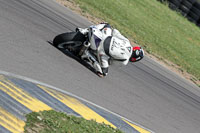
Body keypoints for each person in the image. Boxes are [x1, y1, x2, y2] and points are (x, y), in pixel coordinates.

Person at [77, 22, 144, 77]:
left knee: (107, 25)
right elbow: (110, 62)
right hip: (102, 53)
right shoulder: (124, 61)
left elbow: (115, 32)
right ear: (134, 59)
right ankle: (87, 54)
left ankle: (84, 30)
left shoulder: (127, 41)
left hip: (104, 37)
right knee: (104, 73)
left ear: (135, 48)